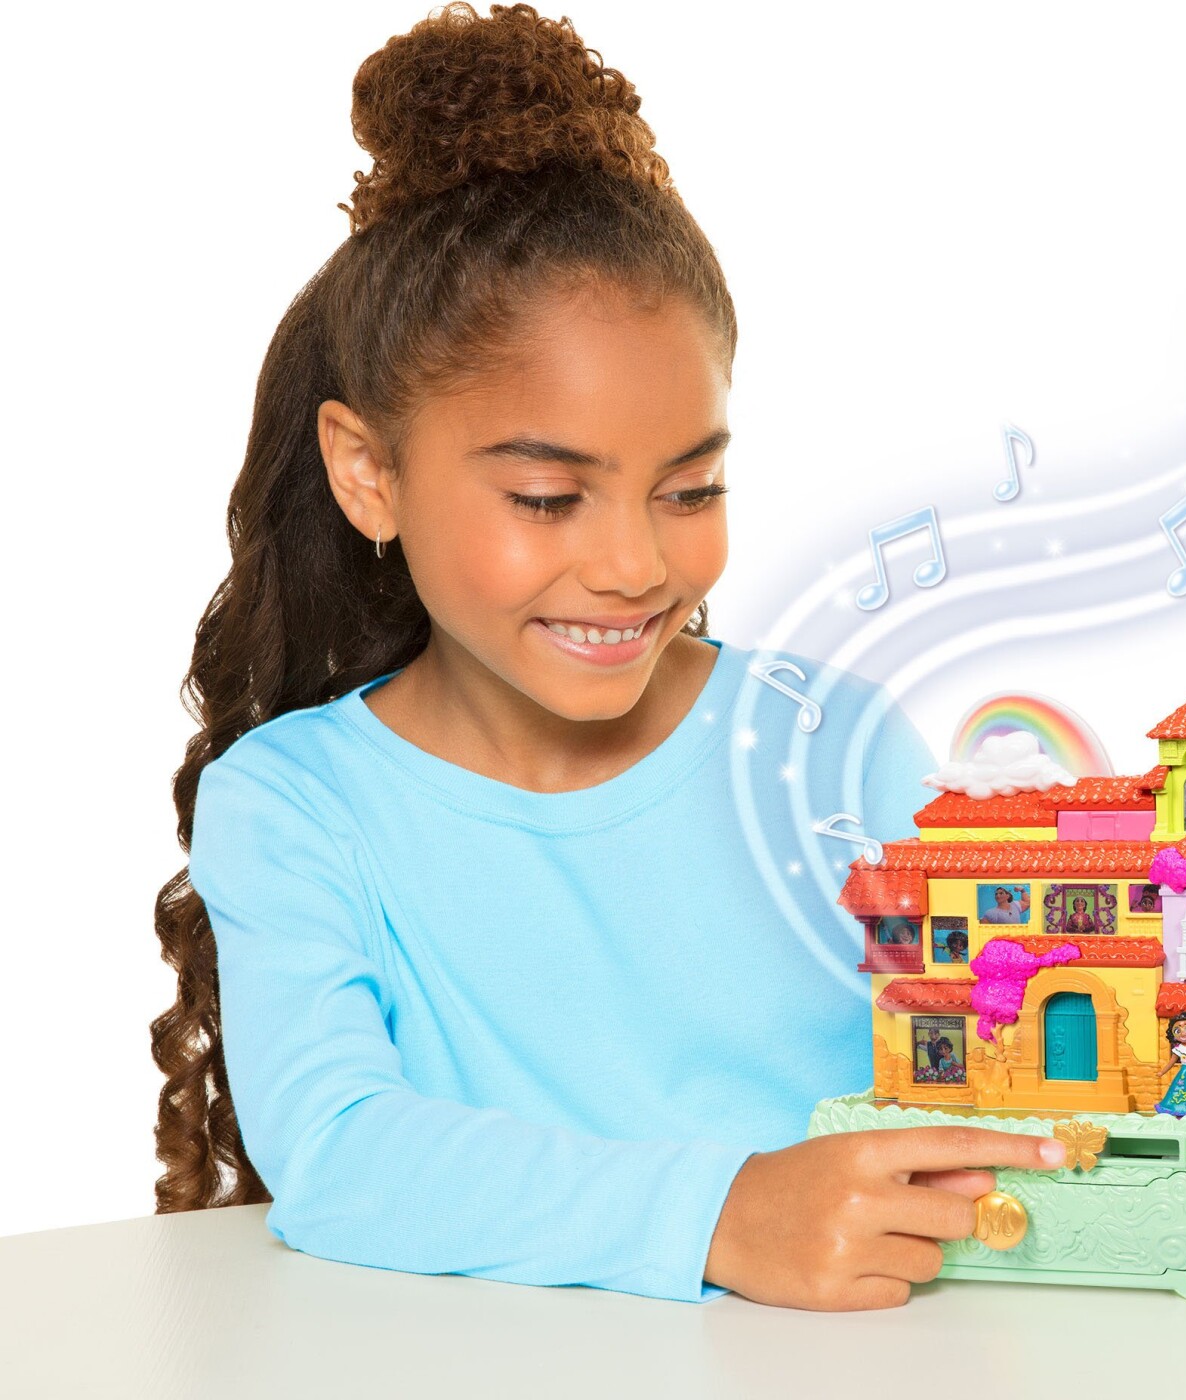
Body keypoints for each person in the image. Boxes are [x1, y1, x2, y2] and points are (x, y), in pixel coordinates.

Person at [154, 2, 1066, 1315]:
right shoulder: (298, 805)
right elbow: (343, 1155)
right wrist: (722, 1214)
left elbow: (1003, 1061)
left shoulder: (835, 749)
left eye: (690, 491)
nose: (635, 565)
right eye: (547, 498)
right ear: (368, 472)